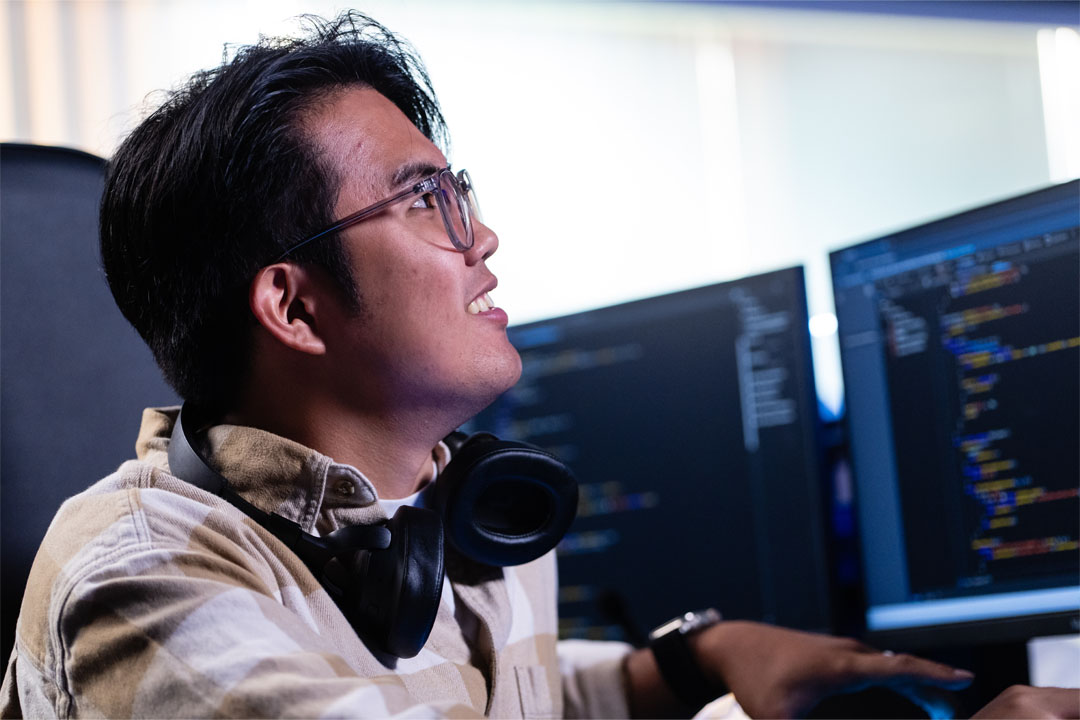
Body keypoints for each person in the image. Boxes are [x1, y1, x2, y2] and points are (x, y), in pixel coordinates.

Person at [0, 11, 1074, 719]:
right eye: (425, 200)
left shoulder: (440, 501)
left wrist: (693, 659)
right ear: (293, 305)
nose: (483, 238)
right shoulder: (142, 578)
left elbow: (509, 692)